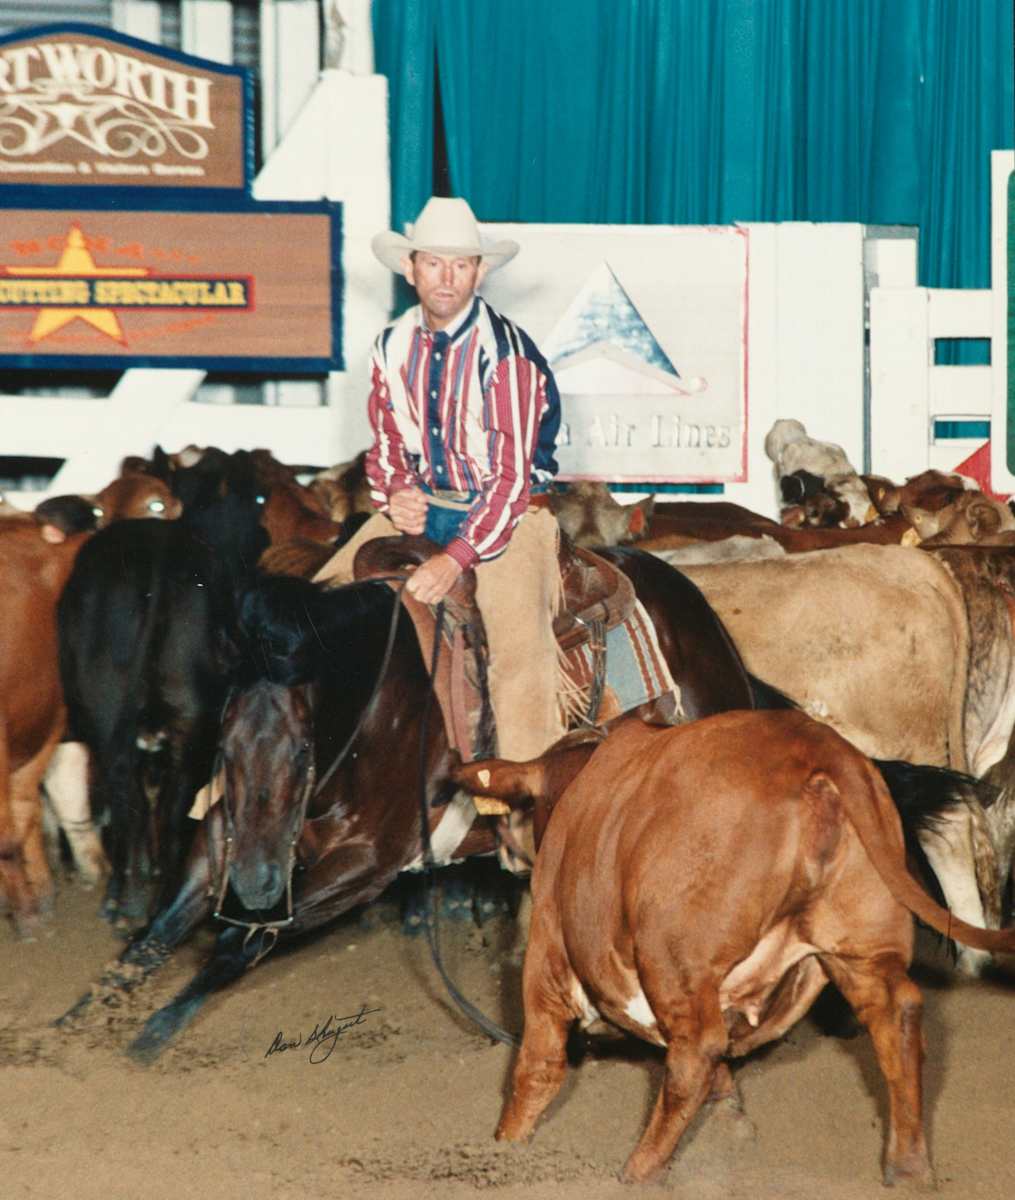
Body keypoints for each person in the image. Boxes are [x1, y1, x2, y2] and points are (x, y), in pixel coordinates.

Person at [315, 196, 566, 766]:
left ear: (479, 272)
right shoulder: (389, 346)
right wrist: (396, 494)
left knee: (517, 655)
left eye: (461, 264)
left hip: (509, 517)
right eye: (433, 263)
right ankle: (240, 790)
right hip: (428, 502)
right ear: (411, 269)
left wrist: (454, 558)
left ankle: (531, 804)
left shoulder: (507, 356)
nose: (446, 277)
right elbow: (385, 447)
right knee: (316, 604)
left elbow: (510, 480)